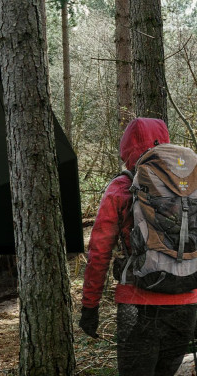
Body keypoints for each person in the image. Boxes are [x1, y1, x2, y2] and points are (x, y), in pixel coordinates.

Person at [80, 117, 197, 376]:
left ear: (127, 149)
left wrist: (90, 306)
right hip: (187, 303)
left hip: (138, 303)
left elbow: (99, 252)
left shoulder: (122, 187)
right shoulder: (191, 182)